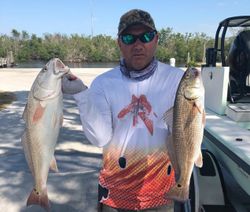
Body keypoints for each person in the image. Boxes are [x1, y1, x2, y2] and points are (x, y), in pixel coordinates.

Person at [62, 9, 184, 212]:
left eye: (145, 36)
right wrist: (82, 95)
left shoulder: (177, 79)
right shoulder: (103, 83)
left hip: (161, 192)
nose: (138, 45)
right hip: (114, 194)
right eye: (129, 38)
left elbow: (186, 133)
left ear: (156, 39)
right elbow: (100, 139)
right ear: (119, 42)